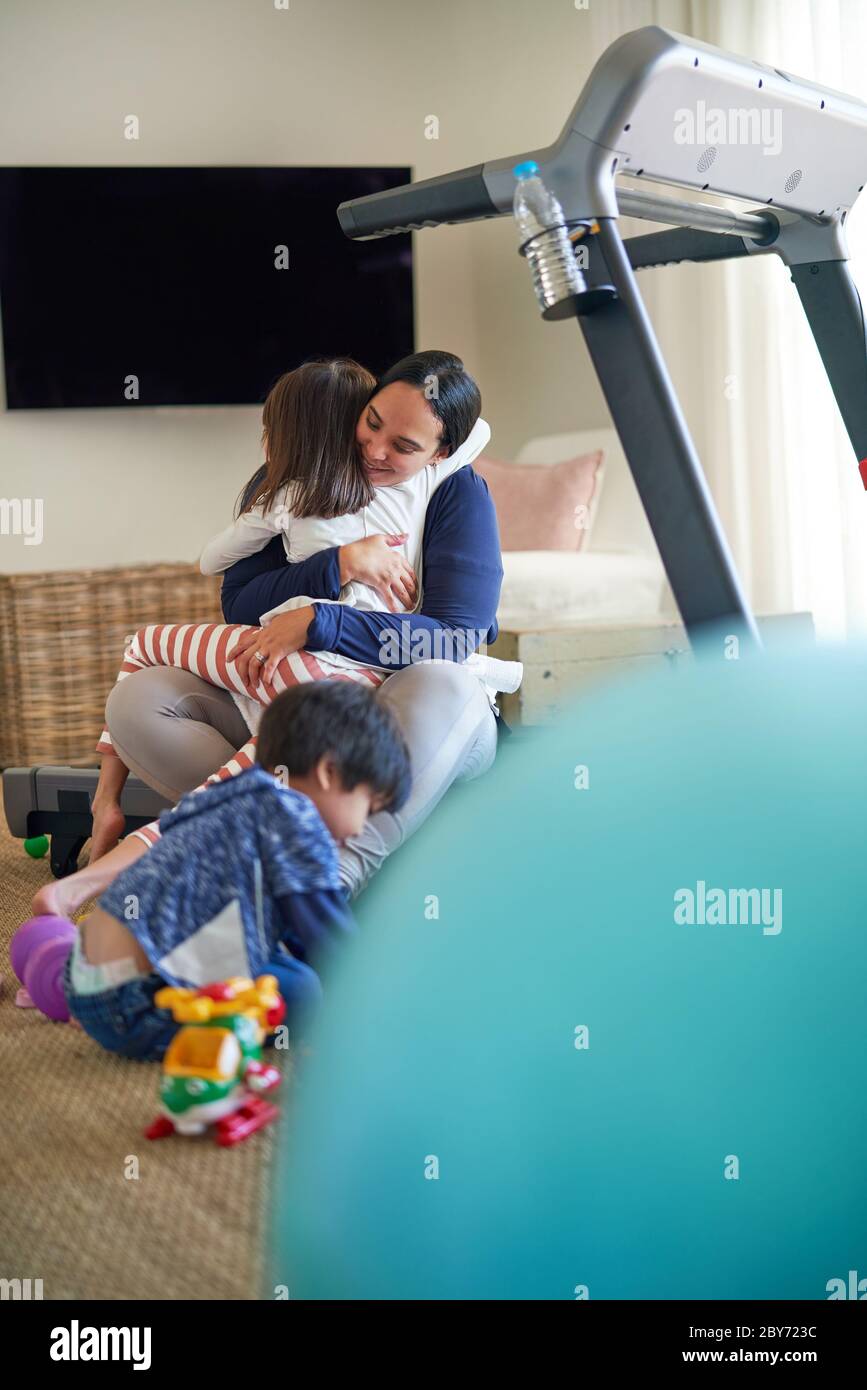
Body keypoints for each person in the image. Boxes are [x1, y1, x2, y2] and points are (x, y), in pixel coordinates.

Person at [32, 351, 506, 923]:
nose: (376, 451)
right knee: (141, 695)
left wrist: (319, 620)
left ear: (441, 454)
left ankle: (329, 881)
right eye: (373, 422)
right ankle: (276, 851)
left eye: (404, 447)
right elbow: (239, 602)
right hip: (290, 692)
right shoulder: (304, 474)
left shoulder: (457, 493)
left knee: (440, 680)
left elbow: (453, 639)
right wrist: (335, 566)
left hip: (414, 715)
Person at [62, 682, 411, 1061]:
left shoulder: (234, 792)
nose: (361, 829)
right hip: (138, 1005)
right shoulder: (299, 820)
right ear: (329, 771)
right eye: (368, 806)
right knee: (301, 989)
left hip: (81, 982)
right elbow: (330, 937)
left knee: (284, 941)